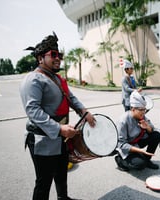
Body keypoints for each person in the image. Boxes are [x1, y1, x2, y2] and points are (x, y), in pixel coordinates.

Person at [20, 32, 96, 200]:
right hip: (43, 138)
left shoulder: (56, 78)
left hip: (61, 136)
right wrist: (59, 128)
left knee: (61, 171)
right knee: (44, 181)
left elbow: (71, 98)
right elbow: (32, 110)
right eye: (53, 55)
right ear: (40, 58)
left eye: (59, 55)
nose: (58, 58)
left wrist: (84, 112)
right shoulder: (33, 79)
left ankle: (63, 198)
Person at [115, 91, 160, 171]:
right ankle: (120, 160)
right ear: (133, 109)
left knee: (156, 135)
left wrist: (147, 127)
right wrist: (139, 150)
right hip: (127, 147)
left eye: (144, 109)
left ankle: (147, 160)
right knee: (140, 165)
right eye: (141, 110)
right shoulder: (123, 121)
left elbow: (153, 129)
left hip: (137, 142)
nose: (144, 112)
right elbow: (121, 144)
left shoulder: (142, 116)